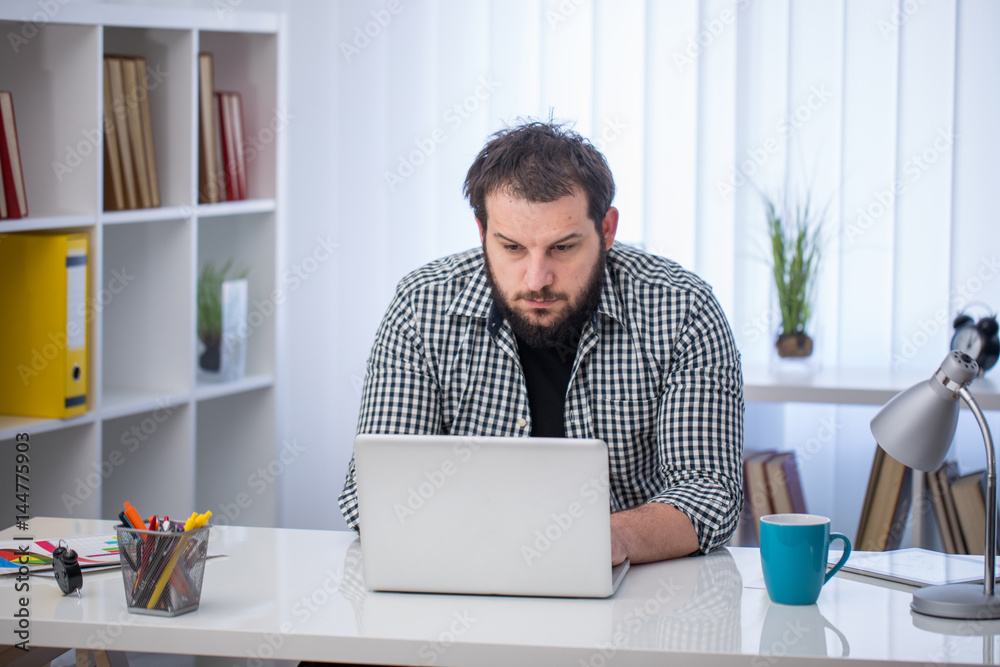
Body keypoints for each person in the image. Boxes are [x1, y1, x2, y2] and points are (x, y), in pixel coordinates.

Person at [338, 120, 744, 564]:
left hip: (636, 594)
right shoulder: (421, 306)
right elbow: (373, 495)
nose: (537, 280)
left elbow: (709, 492)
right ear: (482, 232)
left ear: (606, 230)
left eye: (563, 248)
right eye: (511, 247)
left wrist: (604, 540)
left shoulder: (682, 309)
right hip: (461, 587)